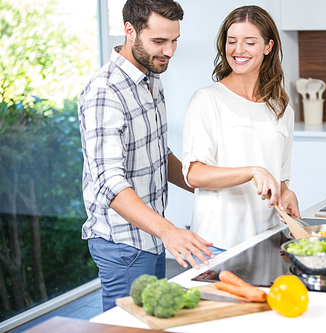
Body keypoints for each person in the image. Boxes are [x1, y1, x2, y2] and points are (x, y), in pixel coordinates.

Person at [78, 0, 213, 311]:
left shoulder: (151, 76)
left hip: (151, 236)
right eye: (159, 41)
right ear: (130, 31)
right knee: (128, 329)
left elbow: (156, 154)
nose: (169, 51)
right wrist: (169, 232)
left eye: (174, 40)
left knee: (154, 323)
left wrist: (207, 186)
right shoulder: (105, 92)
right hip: (123, 245)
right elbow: (109, 183)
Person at [182, 5, 300, 254]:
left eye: (250, 42)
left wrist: (287, 192)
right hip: (218, 243)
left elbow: (279, 177)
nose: (238, 50)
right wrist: (251, 171)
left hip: (268, 238)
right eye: (232, 41)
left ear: (268, 47)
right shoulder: (207, 99)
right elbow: (194, 174)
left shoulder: (280, 107)